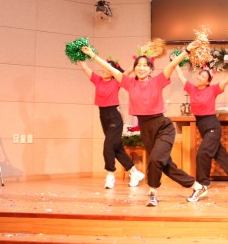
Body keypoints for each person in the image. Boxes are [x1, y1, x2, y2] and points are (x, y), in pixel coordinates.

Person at [82, 43, 204, 206]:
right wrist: (92, 55)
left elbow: (173, 64)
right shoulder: (129, 83)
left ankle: (152, 192)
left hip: (163, 127)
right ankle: (197, 187)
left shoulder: (158, 81)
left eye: (145, 65)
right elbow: (111, 69)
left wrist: (187, 50)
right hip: (146, 129)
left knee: (155, 160)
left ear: (150, 68)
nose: (141, 68)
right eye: (138, 65)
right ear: (134, 68)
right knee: (165, 165)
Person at [174, 62, 228, 202]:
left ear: (208, 81)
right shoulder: (191, 89)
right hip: (202, 126)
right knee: (220, 154)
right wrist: (176, 64)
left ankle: (203, 183)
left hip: (212, 126)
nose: (199, 77)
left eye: (203, 76)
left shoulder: (212, 90)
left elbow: (226, 81)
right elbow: (180, 77)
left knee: (202, 153)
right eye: (199, 75)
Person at [77, 58, 145, 189]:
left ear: (112, 71)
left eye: (108, 68)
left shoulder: (116, 81)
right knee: (117, 148)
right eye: (103, 68)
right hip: (103, 116)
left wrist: (139, 60)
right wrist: (79, 57)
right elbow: (85, 68)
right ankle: (134, 172)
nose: (104, 70)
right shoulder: (98, 80)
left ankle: (110, 174)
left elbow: (128, 71)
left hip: (114, 117)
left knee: (108, 146)